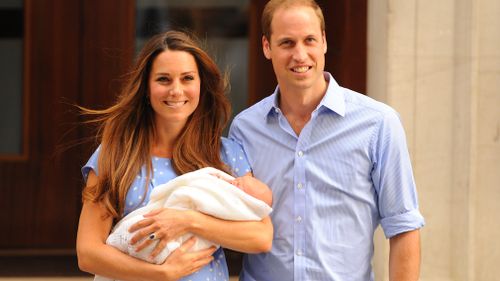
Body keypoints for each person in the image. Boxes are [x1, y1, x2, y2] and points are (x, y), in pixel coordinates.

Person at [228, 1, 425, 280]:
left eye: (309, 40)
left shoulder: (378, 124)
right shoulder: (245, 129)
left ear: (324, 42)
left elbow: (403, 226)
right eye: (286, 43)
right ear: (266, 47)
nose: (300, 54)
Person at [77, 30, 272, 281]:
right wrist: (162, 273)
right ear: (146, 88)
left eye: (187, 78)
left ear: (201, 85)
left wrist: (188, 221)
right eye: (164, 79)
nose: (176, 90)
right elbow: (88, 253)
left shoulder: (226, 154)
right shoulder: (114, 155)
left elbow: (261, 237)